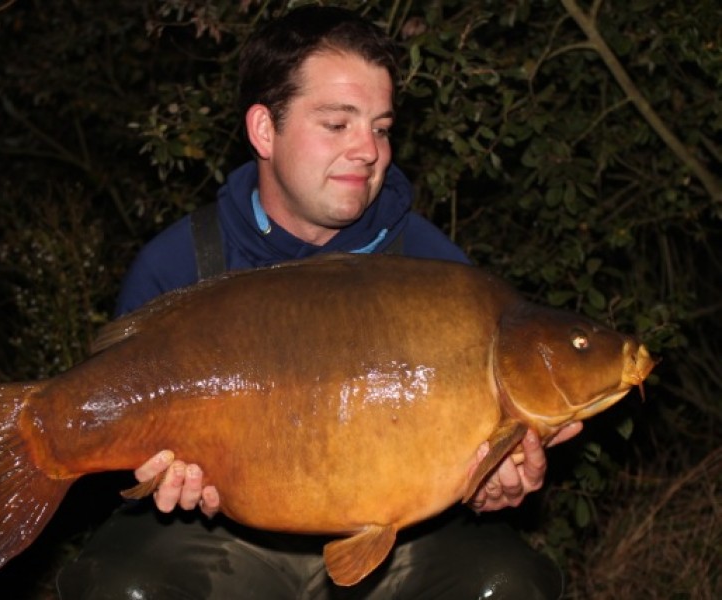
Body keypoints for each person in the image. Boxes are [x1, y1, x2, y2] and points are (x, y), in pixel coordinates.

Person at [57, 6, 581, 599]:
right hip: (221, 536)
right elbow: (124, 429)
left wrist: (490, 486)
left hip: (406, 536)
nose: (368, 150)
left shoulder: (436, 272)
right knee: (121, 587)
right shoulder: (178, 263)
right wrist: (157, 479)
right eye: (338, 124)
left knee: (508, 585)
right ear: (264, 130)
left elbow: (471, 460)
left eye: (381, 128)